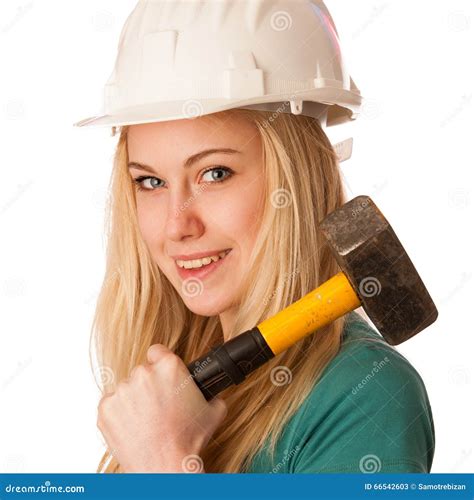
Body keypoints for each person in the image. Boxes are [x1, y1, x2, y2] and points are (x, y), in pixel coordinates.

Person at [74, 0, 435, 474]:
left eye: (215, 173)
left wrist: (162, 464)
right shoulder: (173, 395)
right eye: (150, 182)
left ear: (299, 179)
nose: (176, 226)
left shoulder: (364, 394)